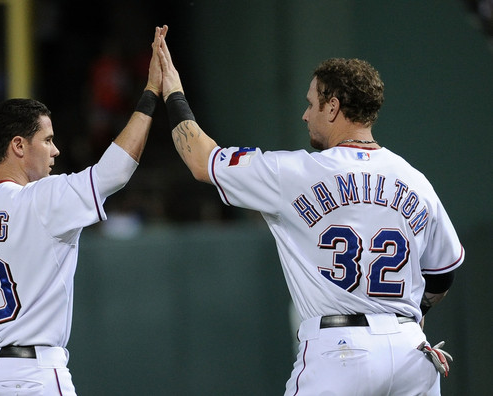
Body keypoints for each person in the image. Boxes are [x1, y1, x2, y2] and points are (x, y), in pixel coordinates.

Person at [155, 26, 464, 395]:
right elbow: (443, 274)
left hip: (342, 352)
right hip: (412, 352)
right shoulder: (416, 181)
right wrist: (411, 317)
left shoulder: (295, 172)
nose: (305, 115)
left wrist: (172, 89)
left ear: (332, 107)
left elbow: (200, 159)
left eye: (311, 102)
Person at [0, 26, 168, 395]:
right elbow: (116, 169)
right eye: (47, 140)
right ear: (18, 146)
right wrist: (152, 92)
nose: (55, 150)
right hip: (30, 375)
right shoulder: (39, 199)